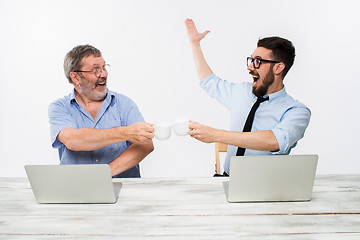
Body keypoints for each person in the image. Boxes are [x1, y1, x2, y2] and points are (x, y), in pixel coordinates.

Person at [185, 18, 311, 176]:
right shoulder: (241, 92)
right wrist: (195, 45)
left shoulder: (296, 111)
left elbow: (276, 141)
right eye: (251, 60)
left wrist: (216, 135)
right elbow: (209, 82)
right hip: (227, 179)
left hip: (265, 187)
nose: (250, 67)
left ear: (278, 67)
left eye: (258, 61)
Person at [48, 44, 154, 178]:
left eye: (104, 67)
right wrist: (126, 132)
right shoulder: (59, 107)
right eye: (95, 70)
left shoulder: (124, 103)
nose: (103, 74)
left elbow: (146, 145)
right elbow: (72, 140)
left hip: (123, 191)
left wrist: (104, 175)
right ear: (75, 77)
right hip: (76, 190)